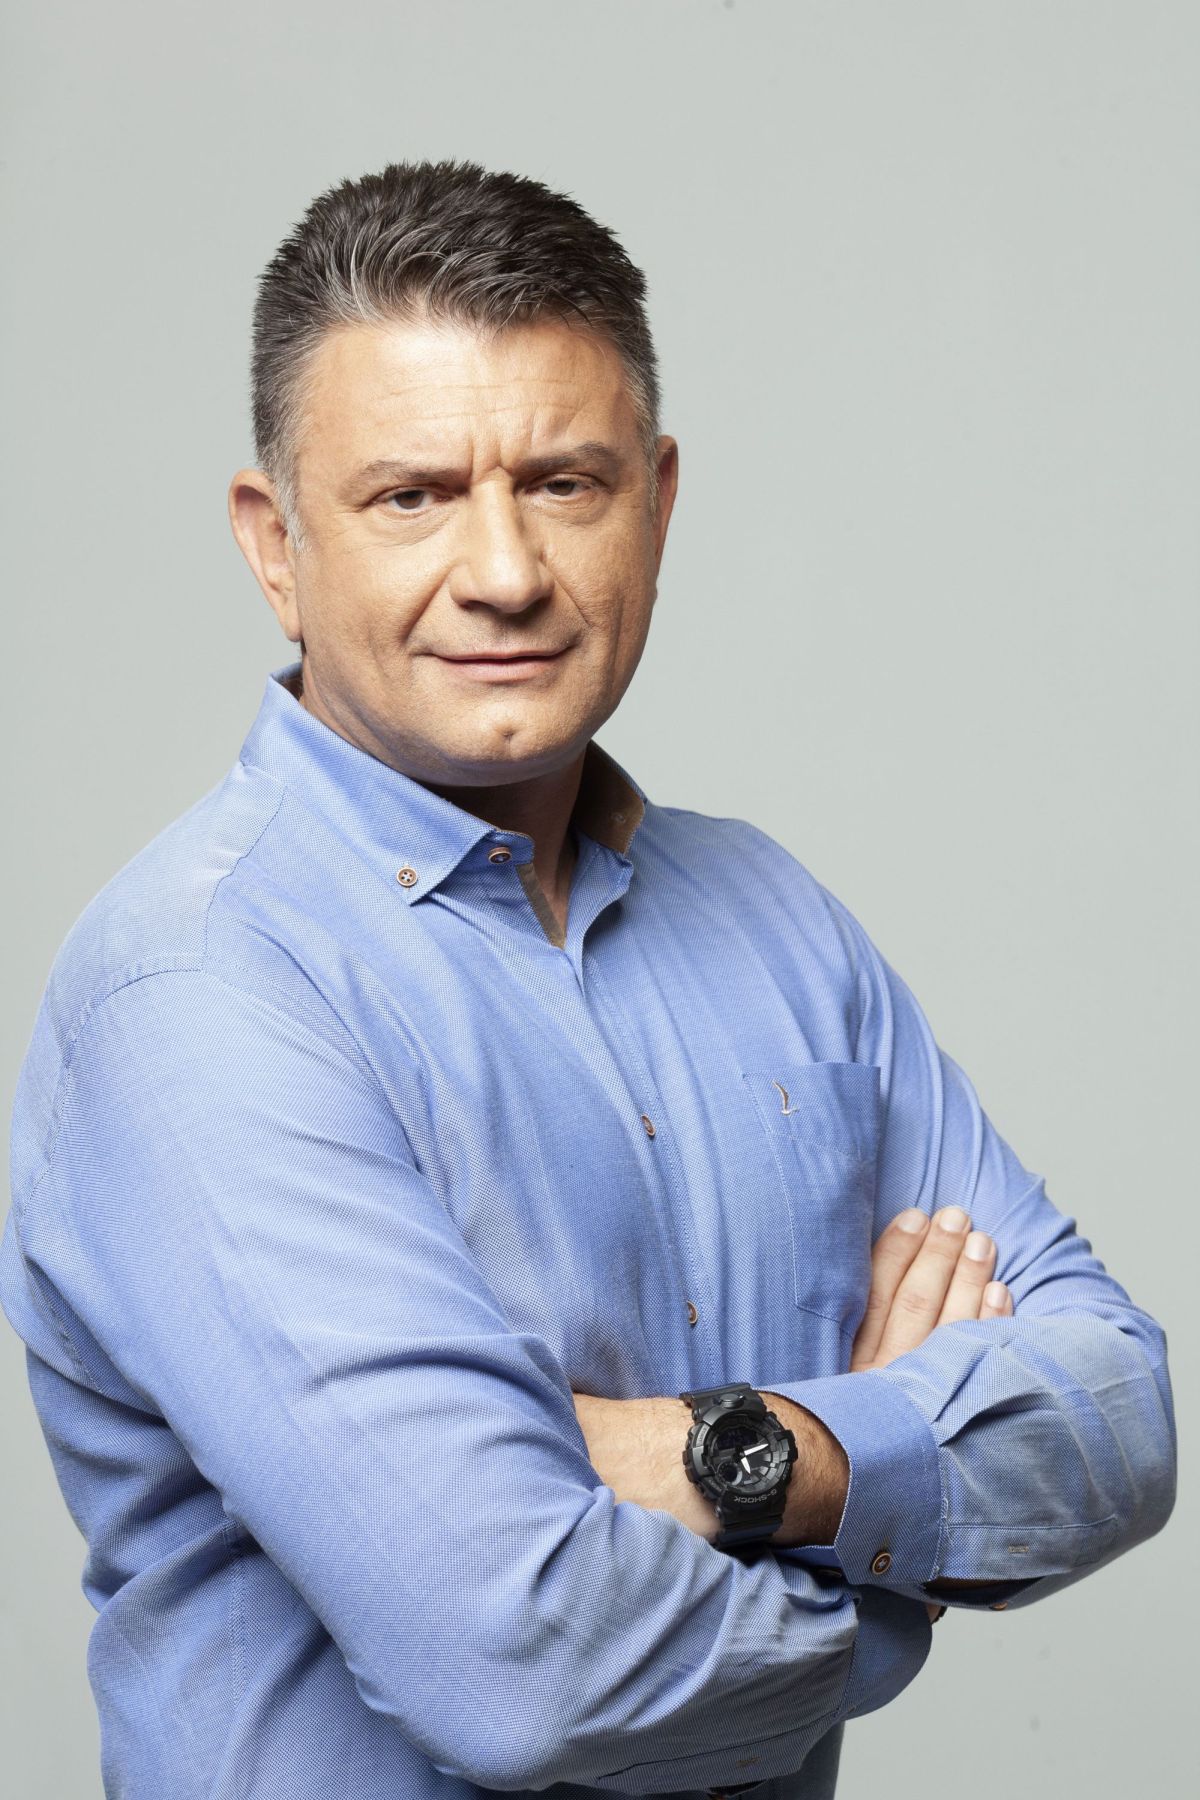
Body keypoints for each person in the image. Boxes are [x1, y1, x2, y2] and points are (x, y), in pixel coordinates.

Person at [0, 159, 1176, 1800]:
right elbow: (524, 1663)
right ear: (276, 546)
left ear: (659, 501)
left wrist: (741, 1458)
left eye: (563, 482)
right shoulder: (201, 995)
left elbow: (1123, 1410)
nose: (504, 571)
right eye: (411, 497)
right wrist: (892, 1558)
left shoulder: (775, 921)